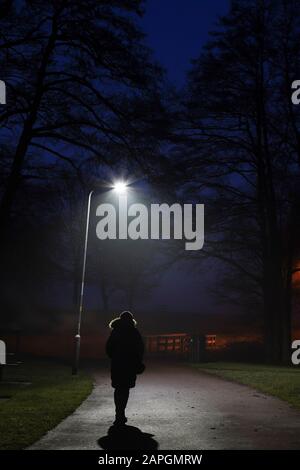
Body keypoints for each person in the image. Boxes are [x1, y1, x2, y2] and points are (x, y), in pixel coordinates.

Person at [106, 310, 144, 425]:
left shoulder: (115, 331)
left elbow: (108, 348)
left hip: (117, 364)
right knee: (125, 389)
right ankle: (121, 412)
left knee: (118, 388)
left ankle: (118, 412)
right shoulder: (134, 332)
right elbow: (140, 348)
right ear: (132, 320)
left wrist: (114, 357)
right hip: (130, 364)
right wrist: (138, 361)